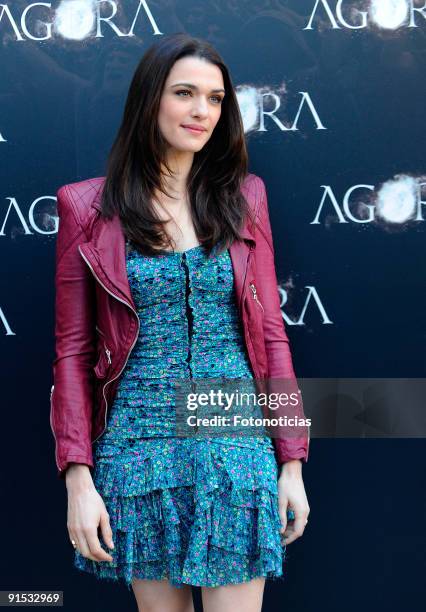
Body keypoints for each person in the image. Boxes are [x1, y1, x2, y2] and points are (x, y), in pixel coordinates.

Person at [50, 32, 310, 612]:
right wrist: (78, 478)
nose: (202, 112)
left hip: (236, 443)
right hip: (138, 449)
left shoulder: (245, 198)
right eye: (185, 93)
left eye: (216, 100)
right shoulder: (86, 207)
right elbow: (71, 351)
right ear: (150, 100)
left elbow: (271, 334)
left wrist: (291, 461)